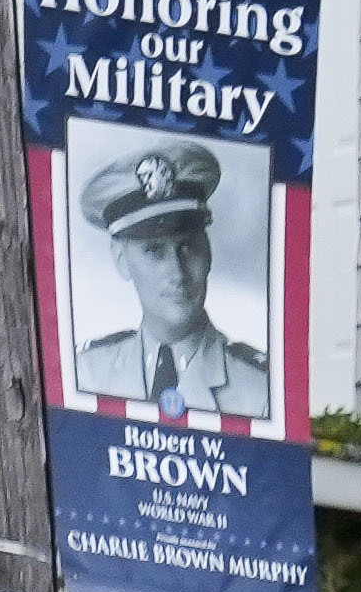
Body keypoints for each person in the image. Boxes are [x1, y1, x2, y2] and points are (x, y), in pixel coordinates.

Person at [67, 131, 274, 429]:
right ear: (122, 260)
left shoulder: (258, 387)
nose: (177, 273)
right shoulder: (87, 372)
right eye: (154, 252)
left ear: (208, 251)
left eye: (188, 247)